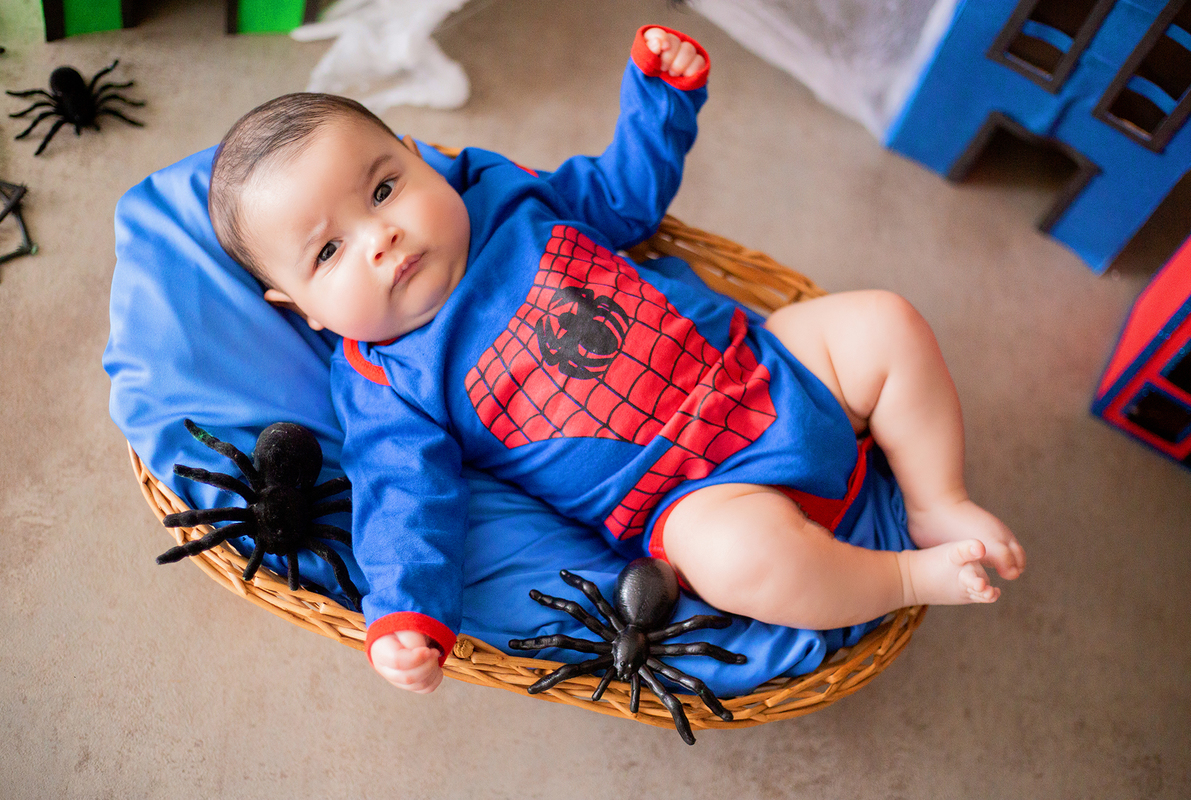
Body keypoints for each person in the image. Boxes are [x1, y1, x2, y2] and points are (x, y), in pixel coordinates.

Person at [207, 25, 1026, 695]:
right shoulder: (387, 378)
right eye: (328, 252)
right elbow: (403, 500)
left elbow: (620, 199)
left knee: (884, 322)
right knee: (745, 561)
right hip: (693, 495)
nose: (379, 237)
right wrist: (405, 615)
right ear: (300, 310)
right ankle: (905, 577)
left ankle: (934, 500)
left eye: (384, 189)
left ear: (421, 155)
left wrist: (659, 100)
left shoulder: (501, 193)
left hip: (762, 364)